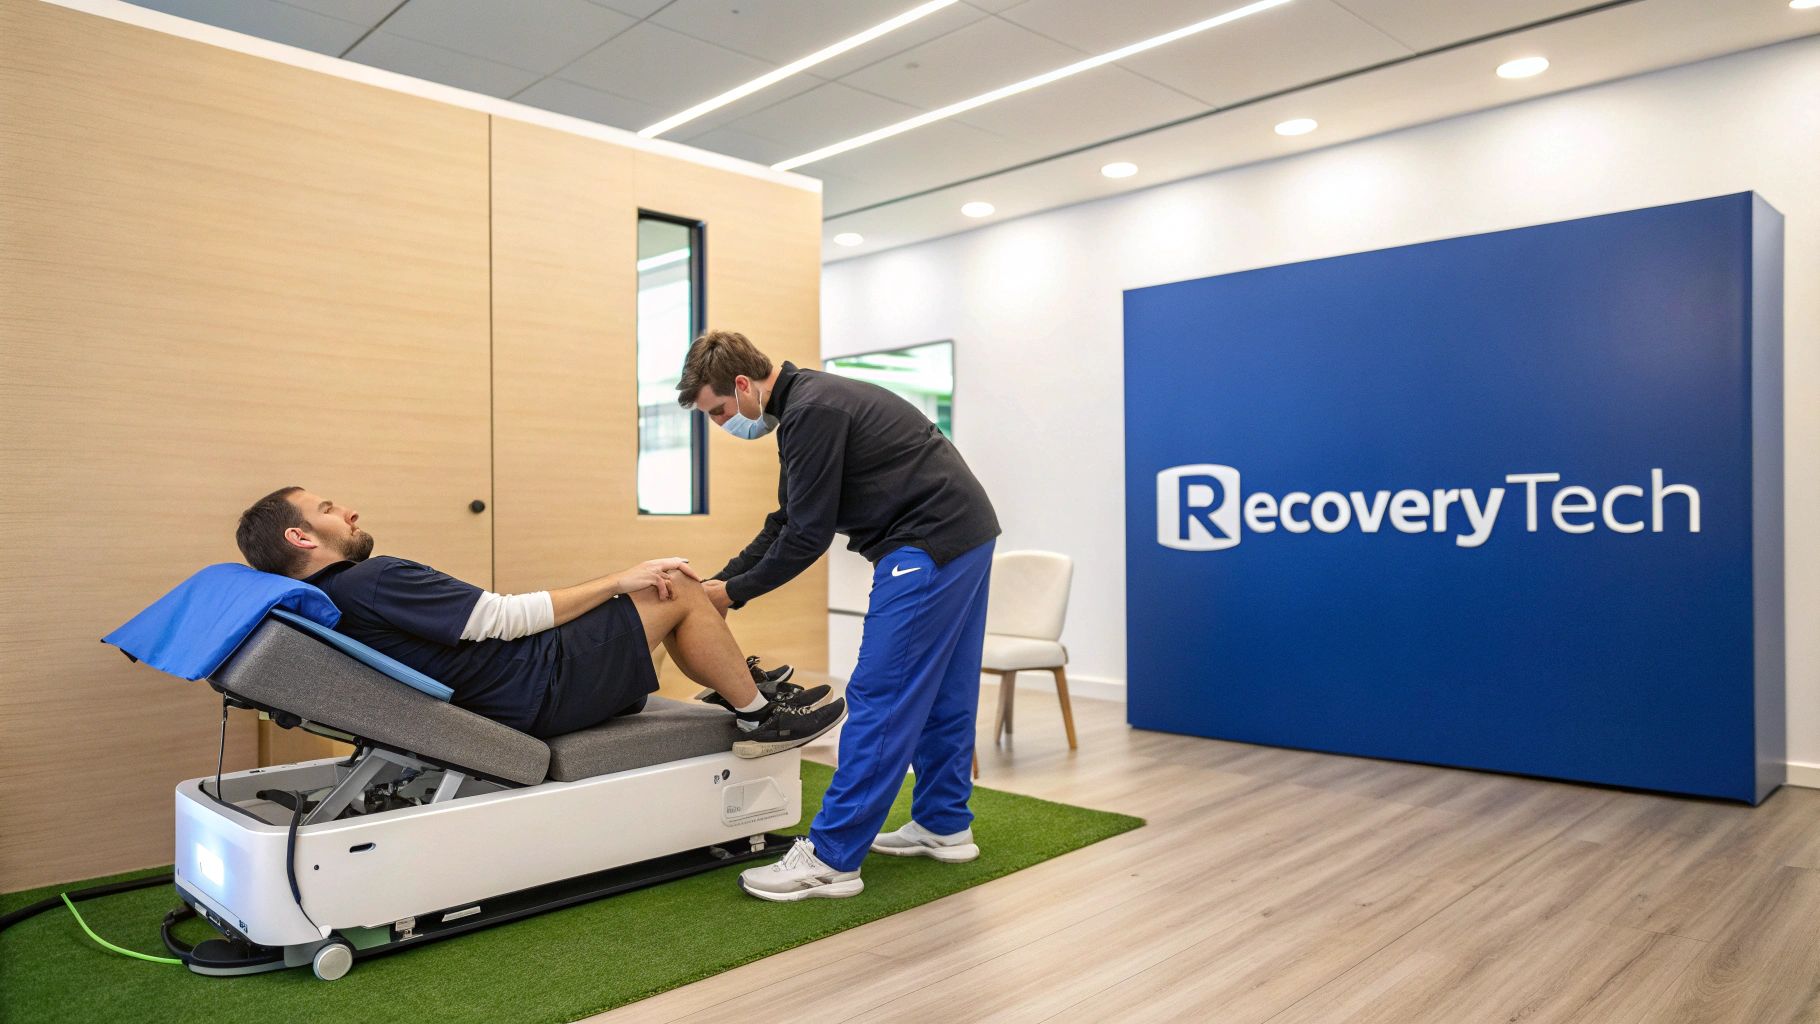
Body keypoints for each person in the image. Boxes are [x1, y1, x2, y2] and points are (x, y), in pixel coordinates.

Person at [678, 330, 1000, 900]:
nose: (724, 424)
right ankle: (944, 824)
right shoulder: (807, 404)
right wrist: (720, 582)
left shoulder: (811, 412)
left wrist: (732, 596)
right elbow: (788, 518)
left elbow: (807, 537)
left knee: (881, 694)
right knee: (946, 691)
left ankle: (831, 858)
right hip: (965, 534)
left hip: (926, 542)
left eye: (721, 410)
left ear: (745, 385)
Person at [233, 486, 843, 754]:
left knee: (673, 596)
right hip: (537, 688)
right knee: (676, 584)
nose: (350, 511)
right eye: (329, 510)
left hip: (512, 691)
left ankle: (737, 684)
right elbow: (498, 618)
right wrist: (620, 578)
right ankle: (760, 717)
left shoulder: (333, 601)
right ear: (301, 536)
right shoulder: (372, 578)